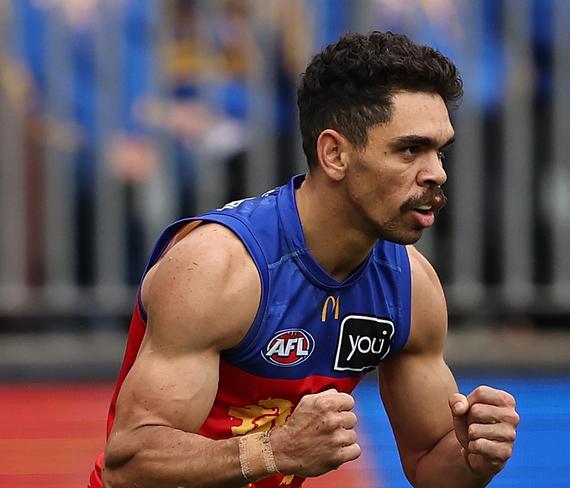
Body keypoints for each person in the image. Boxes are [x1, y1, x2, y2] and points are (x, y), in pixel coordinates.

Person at [90, 31, 519, 488]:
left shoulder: (411, 286)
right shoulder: (218, 267)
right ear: (334, 154)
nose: (437, 173)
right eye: (410, 149)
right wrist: (274, 451)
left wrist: (473, 455)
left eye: (440, 151)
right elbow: (129, 463)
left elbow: (431, 464)